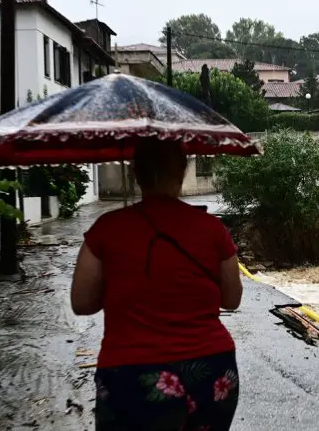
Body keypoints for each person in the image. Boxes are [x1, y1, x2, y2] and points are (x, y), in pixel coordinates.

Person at [70, 138, 243, 431]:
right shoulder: (213, 229)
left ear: (135, 173)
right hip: (211, 370)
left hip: (131, 373)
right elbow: (232, 299)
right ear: (182, 173)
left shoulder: (105, 229)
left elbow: (82, 303)